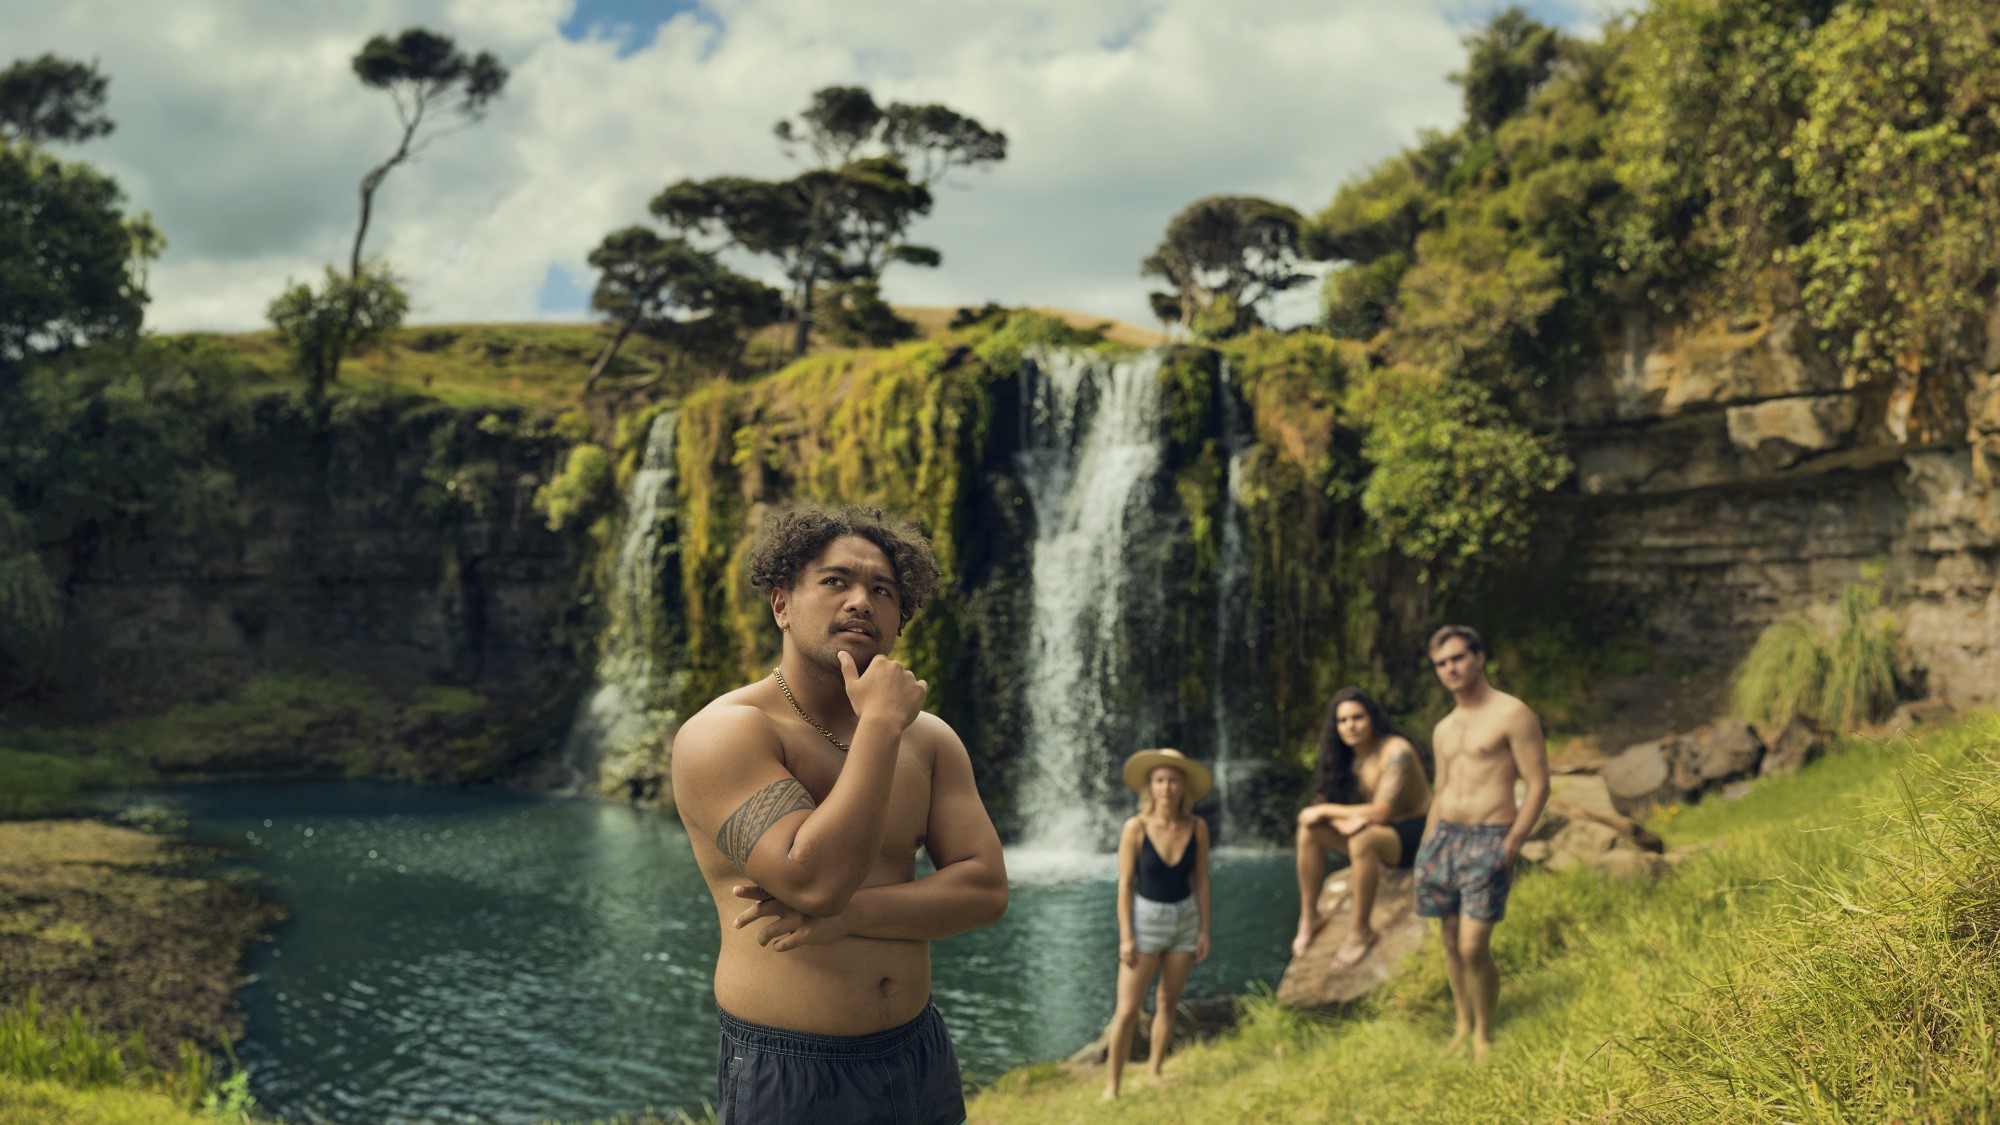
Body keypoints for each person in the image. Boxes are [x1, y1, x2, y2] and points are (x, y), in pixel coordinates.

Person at [671, 505, 1008, 1125]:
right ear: (782, 605)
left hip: (918, 1052)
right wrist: (880, 722)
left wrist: (848, 916)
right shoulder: (723, 735)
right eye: (836, 582)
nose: (862, 601)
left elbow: (984, 890)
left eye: (883, 591)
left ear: (898, 621)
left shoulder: (929, 739)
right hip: (793, 1069)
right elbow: (815, 880)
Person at [1414, 624, 1549, 1063]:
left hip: (1490, 837)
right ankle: (1462, 1023)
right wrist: (1425, 847)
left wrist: (1512, 844)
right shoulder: (1444, 728)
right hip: (1444, 838)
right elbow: (1442, 788)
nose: (1450, 669)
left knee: (1474, 945)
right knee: (1450, 941)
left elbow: (1539, 784)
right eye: (1441, 663)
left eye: (1457, 658)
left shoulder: (1512, 714)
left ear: (1478, 657)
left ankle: (1484, 1035)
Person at [1291, 687, 1433, 969]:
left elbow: (1380, 812)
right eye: (1342, 721)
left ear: (1372, 719)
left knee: (1362, 838)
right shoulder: (1345, 758)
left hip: (1418, 834)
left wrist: (1326, 811)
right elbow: (1321, 816)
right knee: (1309, 831)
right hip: (1386, 833)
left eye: (1358, 717)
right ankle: (1309, 916)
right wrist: (1339, 818)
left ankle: (1361, 931)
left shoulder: (1396, 751)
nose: (1350, 726)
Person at [1103, 748, 1212, 1101]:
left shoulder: (1197, 827)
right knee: (1127, 1011)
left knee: (1168, 1001)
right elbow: (1124, 884)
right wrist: (1126, 936)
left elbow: (1201, 880)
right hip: (1145, 921)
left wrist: (1204, 929)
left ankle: (1155, 1072)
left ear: (1183, 787)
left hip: (1185, 920)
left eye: (1174, 780)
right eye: (1160, 780)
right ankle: (1112, 1087)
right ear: (1150, 786)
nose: (1167, 787)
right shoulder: (1135, 827)